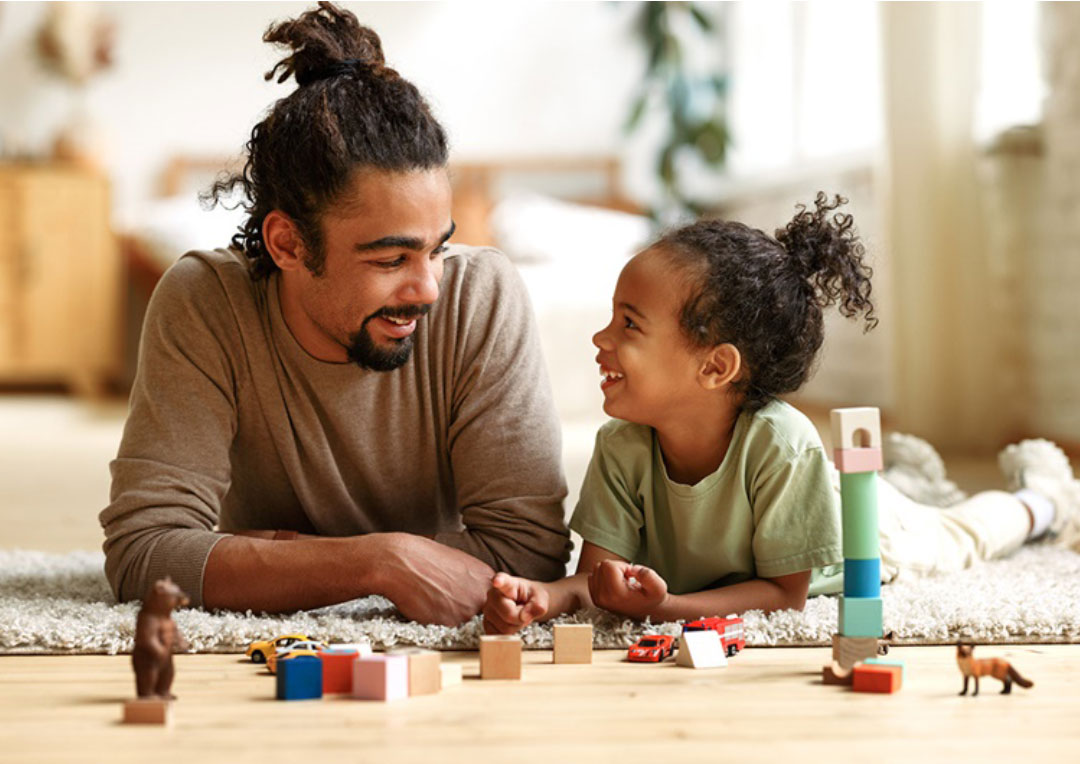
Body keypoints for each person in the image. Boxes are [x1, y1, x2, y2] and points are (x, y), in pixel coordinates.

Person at [99, 2, 571, 626]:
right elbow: (144, 555)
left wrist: (279, 558)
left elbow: (529, 555)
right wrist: (378, 562)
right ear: (288, 244)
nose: (427, 287)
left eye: (437, 247)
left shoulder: (481, 298)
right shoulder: (205, 302)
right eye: (390, 258)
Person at [482, 193, 1080, 634]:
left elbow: (784, 596)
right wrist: (546, 597)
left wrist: (664, 609)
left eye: (629, 324)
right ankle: (908, 477)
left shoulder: (781, 444)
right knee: (890, 490)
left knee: (960, 536)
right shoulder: (622, 445)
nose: (601, 337)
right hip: (812, 504)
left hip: (866, 540)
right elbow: (595, 580)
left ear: (716, 368)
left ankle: (1043, 501)